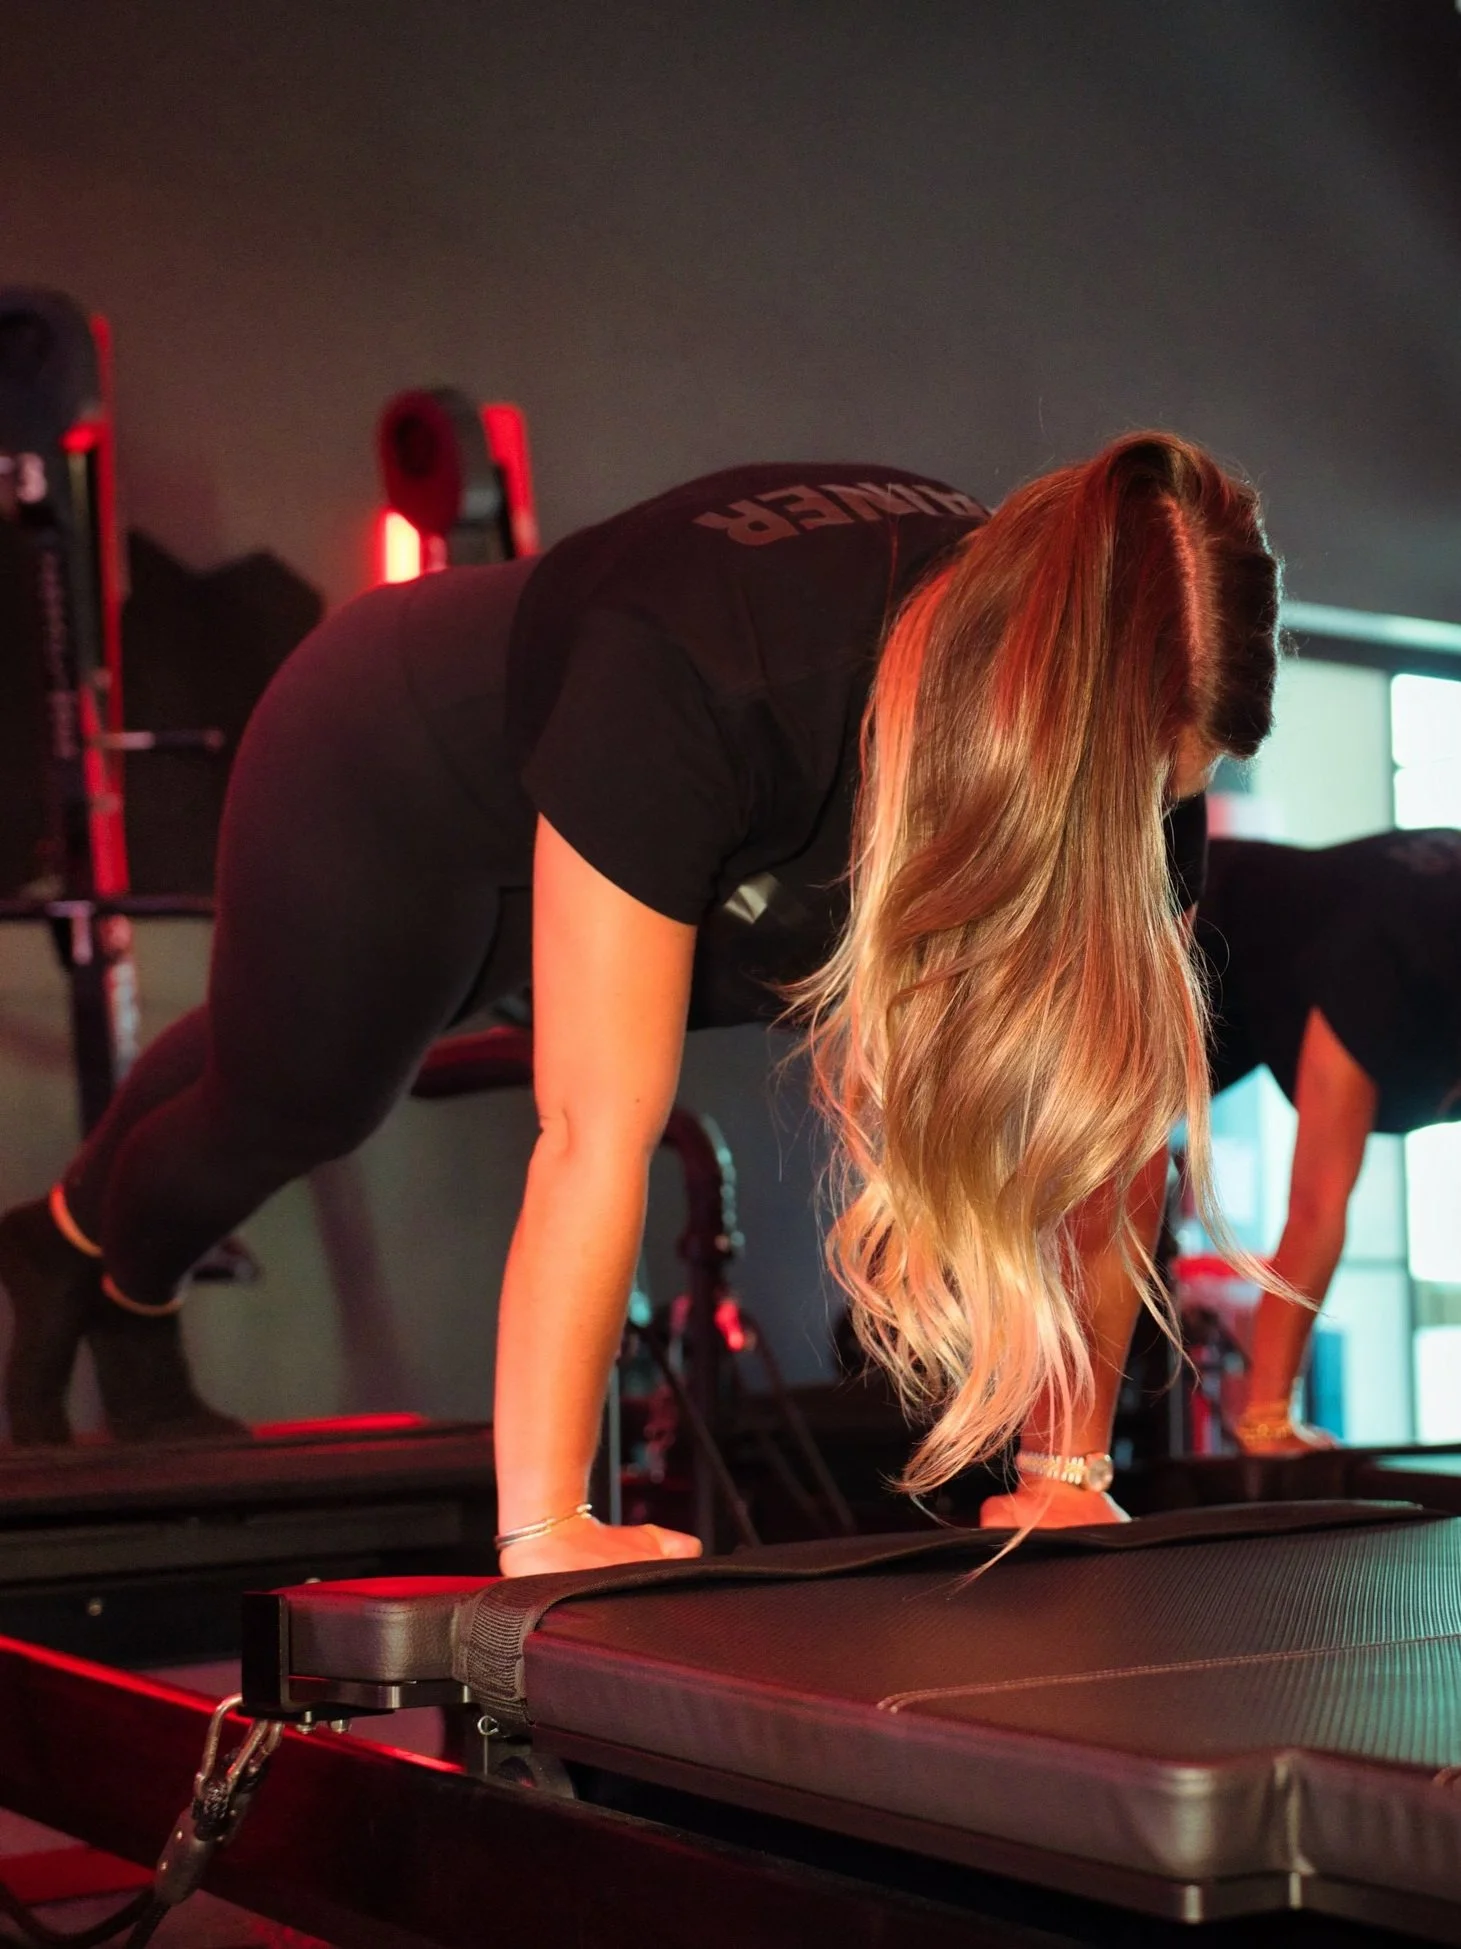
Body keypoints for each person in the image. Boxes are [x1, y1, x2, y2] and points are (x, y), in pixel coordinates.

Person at [0, 436, 1281, 1570]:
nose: (1160, 820)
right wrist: (547, 1518)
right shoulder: (721, 660)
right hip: (401, 769)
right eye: (1143, 783)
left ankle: (68, 1245)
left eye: (1187, 784)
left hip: (726, 840)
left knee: (314, 1066)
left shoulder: (1124, 743)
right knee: (297, 1097)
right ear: (1040, 712)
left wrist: (1067, 1475)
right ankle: (99, 1264)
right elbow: (594, 1128)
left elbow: (1110, 1122)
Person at [1196, 829, 1461, 1455]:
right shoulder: (1389, 961)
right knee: (1081, 1152)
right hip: (1192, 925)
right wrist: (1268, 1419)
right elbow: (1316, 1203)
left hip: (1279, 977)